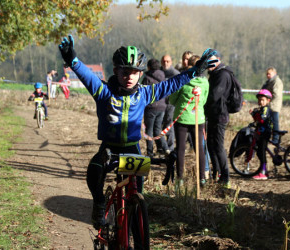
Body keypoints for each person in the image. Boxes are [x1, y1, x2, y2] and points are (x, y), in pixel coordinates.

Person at [58, 35, 217, 229]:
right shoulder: (103, 91)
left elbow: (171, 84)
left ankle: (134, 229)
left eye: (134, 72)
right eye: (125, 72)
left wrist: (195, 71)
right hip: (109, 147)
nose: (129, 77)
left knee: (136, 195)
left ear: (140, 74)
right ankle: (99, 203)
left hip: (132, 148)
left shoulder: (144, 93)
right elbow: (86, 74)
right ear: (116, 71)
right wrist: (72, 59)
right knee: (94, 170)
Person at [169, 55, 209, 186]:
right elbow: (203, 100)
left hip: (182, 117)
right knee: (200, 149)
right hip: (198, 117)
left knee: (180, 148)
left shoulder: (183, 79)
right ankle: (202, 177)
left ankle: (180, 178)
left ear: (189, 66)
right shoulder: (205, 82)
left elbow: (172, 99)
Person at [204, 49, 234, 188]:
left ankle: (225, 176)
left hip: (220, 116)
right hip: (212, 115)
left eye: (212, 60)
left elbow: (214, 95)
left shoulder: (223, 75)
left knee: (219, 146)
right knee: (211, 145)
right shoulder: (214, 74)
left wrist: (201, 100)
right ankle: (217, 173)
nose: (210, 63)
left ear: (219, 60)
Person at [142, 58, 170, 157]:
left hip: (151, 107)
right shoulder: (163, 76)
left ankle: (150, 152)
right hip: (162, 107)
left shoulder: (147, 78)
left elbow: (143, 93)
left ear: (149, 67)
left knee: (149, 130)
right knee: (158, 129)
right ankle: (165, 149)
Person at [250, 89, 273, 180]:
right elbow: (257, 120)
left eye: (263, 100)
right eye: (259, 100)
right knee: (260, 151)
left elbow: (262, 119)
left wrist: (256, 114)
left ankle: (263, 172)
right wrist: (253, 114)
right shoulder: (262, 109)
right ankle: (264, 170)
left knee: (261, 151)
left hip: (265, 132)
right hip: (261, 131)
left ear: (268, 100)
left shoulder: (266, 109)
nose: (260, 102)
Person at [161, 54, 180, 152]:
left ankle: (170, 147)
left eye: (167, 61)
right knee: (159, 126)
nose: (165, 63)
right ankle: (161, 147)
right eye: (164, 61)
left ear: (171, 62)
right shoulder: (158, 73)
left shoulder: (176, 74)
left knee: (169, 124)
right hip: (159, 103)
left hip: (171, 103)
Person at [261, 67, 283, 144]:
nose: (268, 75)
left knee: (275, 122)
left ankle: (276, 139)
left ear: (274, 73)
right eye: (267, 74)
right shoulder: (269, 82)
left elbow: (276, 94)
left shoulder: (276, 82)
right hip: (270, 105)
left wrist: (268, 101)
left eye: (269, 74)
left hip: (274, 106)